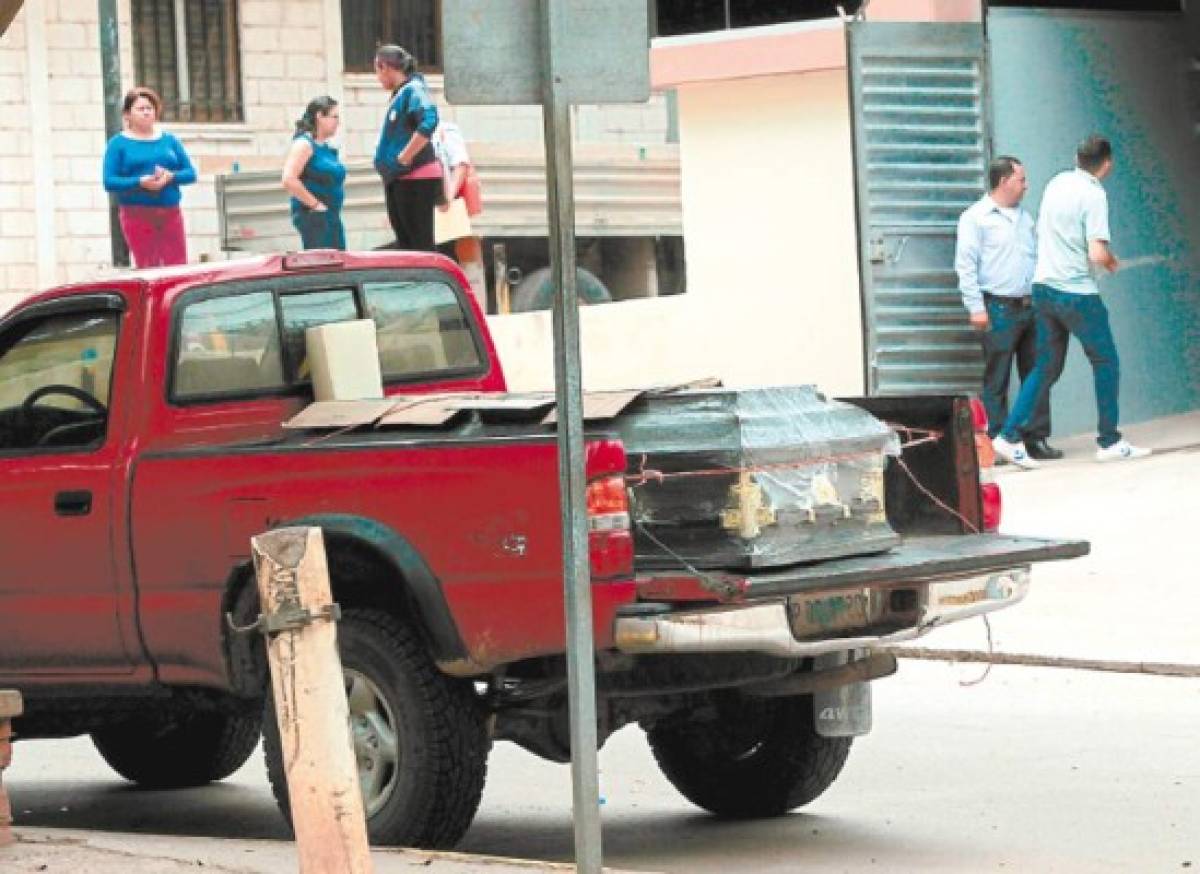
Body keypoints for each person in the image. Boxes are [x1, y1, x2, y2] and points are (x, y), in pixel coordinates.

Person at [993, 135, 1151, 468]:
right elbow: (1095, 252)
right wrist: (1110, 262)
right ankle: (1109, 440)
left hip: (1044, 289)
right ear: (1106, 164)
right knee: (1106, 362)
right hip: (1076, 293)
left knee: (1045, 366)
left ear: (1076, 158)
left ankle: (1008, 436)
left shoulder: (1057, 183)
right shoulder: (1094, 194)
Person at [955, 156, 1060, 461]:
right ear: (1004, 182)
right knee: (997, 377)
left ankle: (1034, 439)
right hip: (998, 308)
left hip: (1032, 307)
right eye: (1021, 180)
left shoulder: (1025, 218)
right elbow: (966, 266)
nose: (1026, 186)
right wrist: (975, 307)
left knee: (1037, 373)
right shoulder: (975, 218)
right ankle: (997, 441)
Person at [102, 86, 196, 268]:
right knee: (148, 266)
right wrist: (139, 182)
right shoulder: (118, 144)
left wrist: (170, 177)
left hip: (170, 212)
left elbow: (190, 173)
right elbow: (109, 181)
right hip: (137, 214)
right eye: (140, 108)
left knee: (176, 266)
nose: (146, 112)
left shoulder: (169, 140)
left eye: (149, 108)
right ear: (127, 114)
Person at [372, 44, 442, 252]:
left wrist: (404, 157)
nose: (378, 77)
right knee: (407, 244)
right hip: (400, 177)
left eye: (377, 70)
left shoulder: (414, 89)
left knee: (419, 244)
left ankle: (426, 283)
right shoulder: (401, 93)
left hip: (414, 177)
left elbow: (429, 119)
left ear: (383, 66)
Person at [281, 96, 347, 250]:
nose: (338, 122)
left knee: (338, 265)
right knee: (324, 266)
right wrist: (316, 205)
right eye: (334, 117)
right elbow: (288, 179)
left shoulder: (326, 147)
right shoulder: (304, 144)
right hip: (315, 218)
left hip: (331, 216)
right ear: (319, 116)